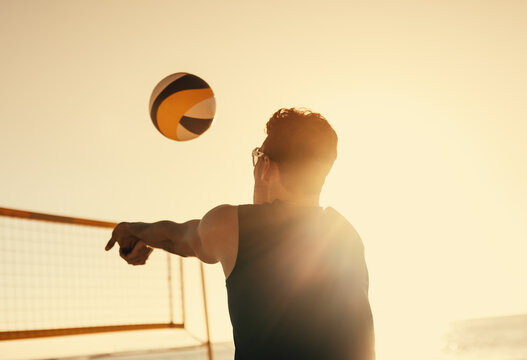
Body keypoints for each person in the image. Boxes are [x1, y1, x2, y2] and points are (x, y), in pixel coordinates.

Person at [105, 108, 375, 360]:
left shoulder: (232, 226)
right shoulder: (347, 236)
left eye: (258, 157)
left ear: (267, 166)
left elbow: (176, 236)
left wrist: (131, 231)